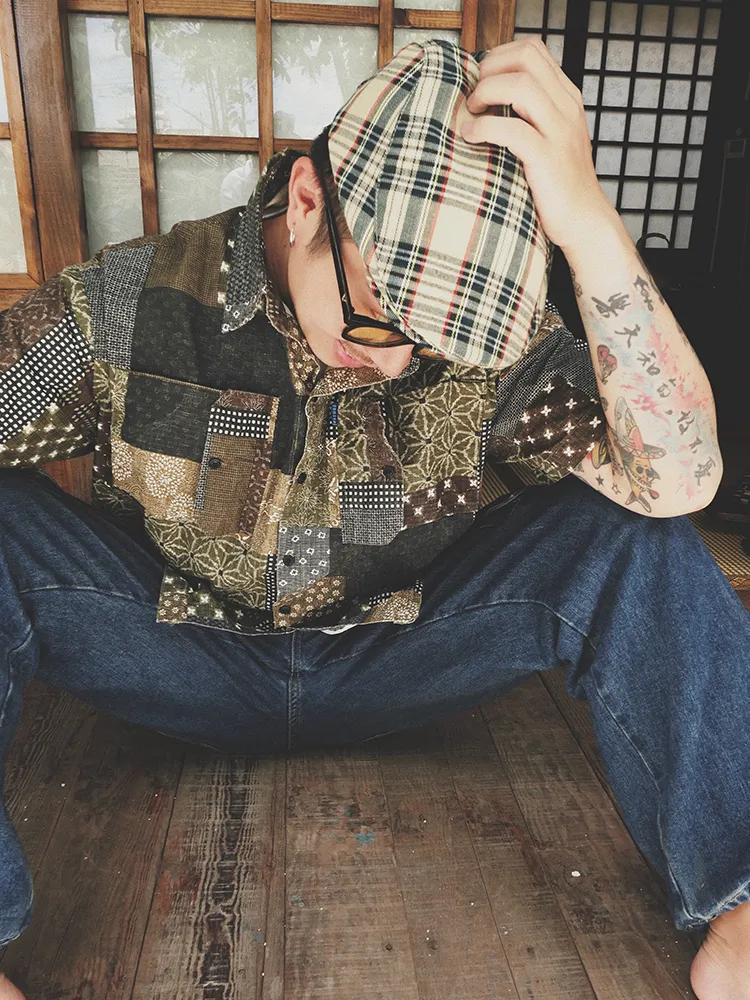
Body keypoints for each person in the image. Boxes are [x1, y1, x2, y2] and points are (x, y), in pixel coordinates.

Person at [0, 37, 748, 1000]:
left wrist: (589, 224)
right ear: (308, 200)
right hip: (178, 643)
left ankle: (741, 903)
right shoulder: (126, 305)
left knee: (635, 534)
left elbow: (678, 480)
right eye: (383, 318)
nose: (398, 362)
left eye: (432, 344)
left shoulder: (487, 349)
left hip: (402, 646)